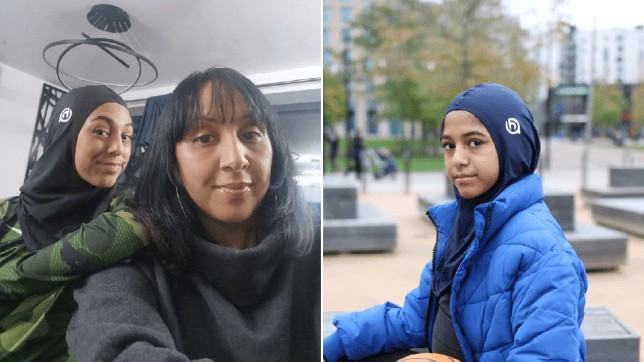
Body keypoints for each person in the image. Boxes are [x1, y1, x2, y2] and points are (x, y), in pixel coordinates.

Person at [66, 67, 321, 361]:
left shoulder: (316, 240)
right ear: (172, 164)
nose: (236, 159)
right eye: (204, 138)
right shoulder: (132, 255)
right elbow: (111, 346)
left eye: (251, 134)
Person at [324, 83, 588, 361]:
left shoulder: (545, 253)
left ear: (512, 146)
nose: (457, 159)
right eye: (449, 146)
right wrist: (334, 346)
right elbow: (412, 320)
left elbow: (546, 355)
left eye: (475, 142)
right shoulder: (460, 231)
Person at [0, 85, 149, 360]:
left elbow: (131, 230)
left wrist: (11, 276)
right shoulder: (7, 211)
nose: (119, 148)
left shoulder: (125, 211)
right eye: (101, 131)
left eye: (127, 136)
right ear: (64, 135)